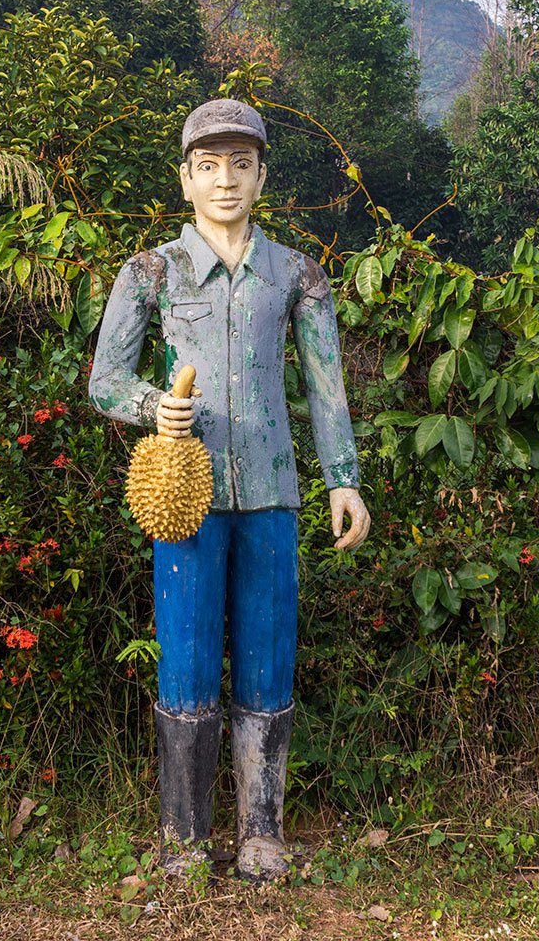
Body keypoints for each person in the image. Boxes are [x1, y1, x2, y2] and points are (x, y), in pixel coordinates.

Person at [88, 98, 370, 881]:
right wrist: (155, 405)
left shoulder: (298, 275)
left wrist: (343, 480)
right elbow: (105, 380)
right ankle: (183, 839)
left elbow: (326, 390)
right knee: (183, 657)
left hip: (273, 494)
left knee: (268, 657)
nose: (224, 180)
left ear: (262, 175)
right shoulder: (151, 271)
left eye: (240, 165)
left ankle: (260, 831)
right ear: (185, 178)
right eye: (208, 166)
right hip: (186, 499)